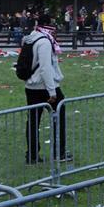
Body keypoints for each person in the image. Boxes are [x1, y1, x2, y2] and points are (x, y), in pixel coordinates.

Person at [23, 13, 71, 164]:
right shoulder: (44, 41)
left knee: (33, 121)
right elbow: (45, 68)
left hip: (31, 86)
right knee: (59, 118)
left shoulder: (31, 38)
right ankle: (59, 153)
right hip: (45, 87)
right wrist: (52, 91)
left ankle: (32, 155)